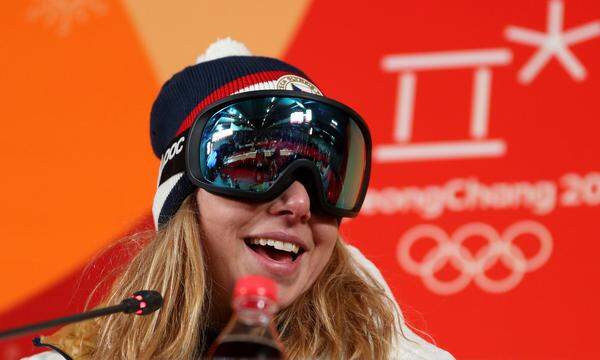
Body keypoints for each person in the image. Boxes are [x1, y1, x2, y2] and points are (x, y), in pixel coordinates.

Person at [24, 39, 454, 360]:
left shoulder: (388, 351)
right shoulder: (83, 355)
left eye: (325, 174)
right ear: (184, 200)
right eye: (255, 167)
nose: (301, 203)